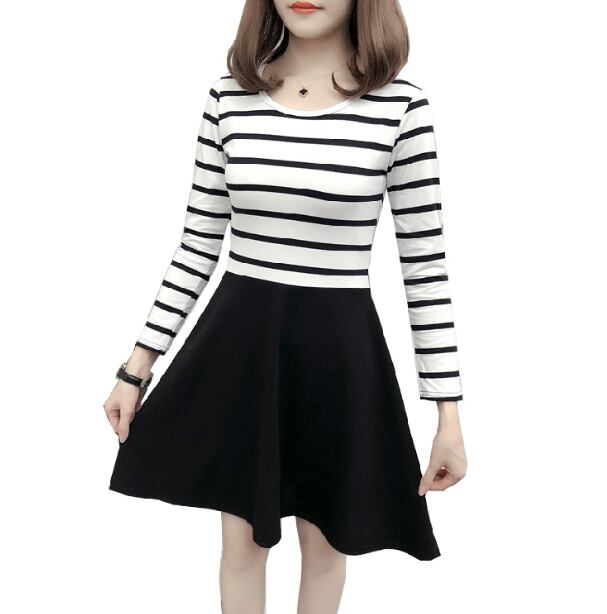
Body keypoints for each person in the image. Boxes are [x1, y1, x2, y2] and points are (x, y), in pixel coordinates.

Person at [104, 1, 468, 612]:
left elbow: (424, 266)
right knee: (241, 542)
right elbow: (198, 244)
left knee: (326, 543)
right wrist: (136, 366)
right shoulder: (229, 98)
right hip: (241, 348)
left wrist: (448, 417)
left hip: (339, 352)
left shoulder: (400, 107)